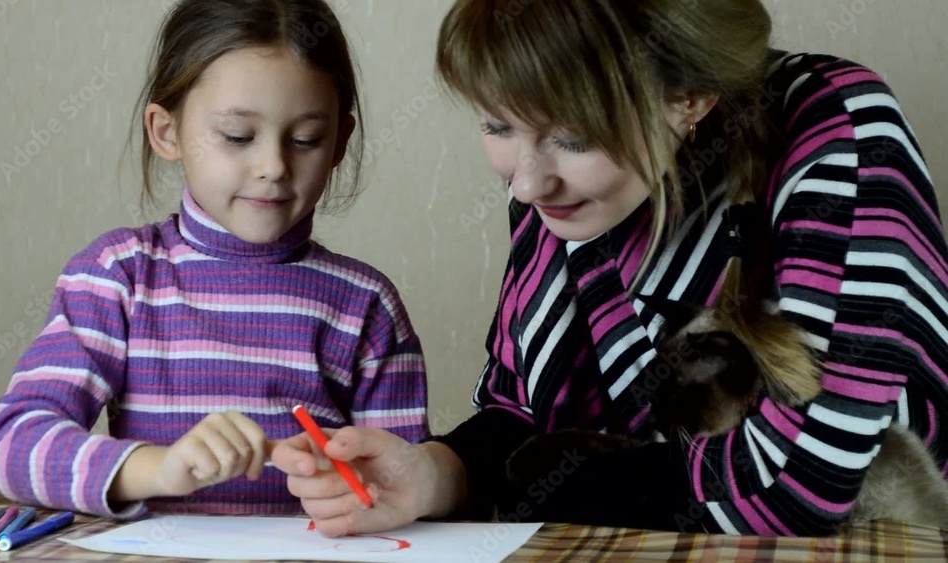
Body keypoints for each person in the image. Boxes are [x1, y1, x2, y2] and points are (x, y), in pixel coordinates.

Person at [272, 0, 948, 537]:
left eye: (573, 137)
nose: (529, 185)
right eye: (496, 125)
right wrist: (432, 473)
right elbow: (520, 413)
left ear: (691, 98)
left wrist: (525, 490)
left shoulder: (839, 131)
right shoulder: (558, 198)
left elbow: (798, 484)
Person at [0, 0, 428, 519]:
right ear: (166, 132)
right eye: (237, 137)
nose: (273, 166)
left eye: (306, 139)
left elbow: (404, 491)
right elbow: (13, 446)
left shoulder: (365, 305)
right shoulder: (117, 276)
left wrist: (358, 492)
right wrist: (158, 467)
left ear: (338, 142)